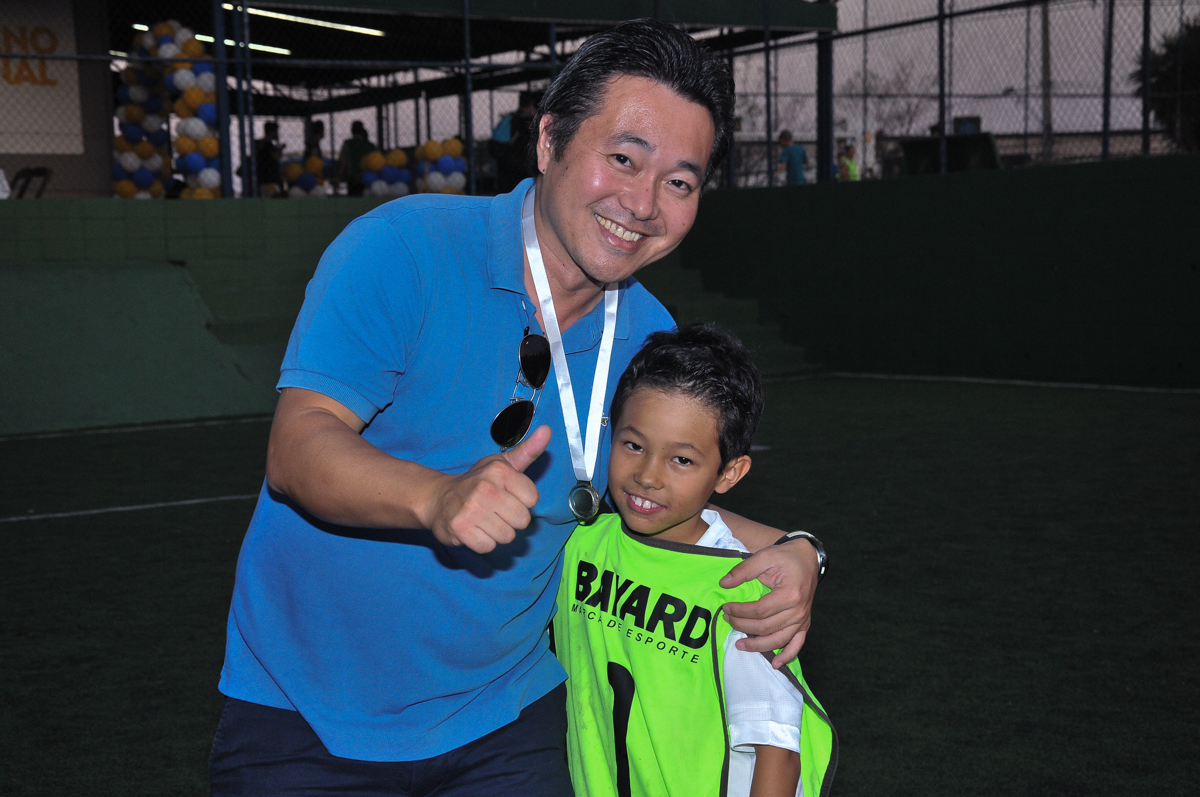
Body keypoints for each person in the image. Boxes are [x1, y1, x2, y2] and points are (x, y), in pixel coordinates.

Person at [210, 19, 822, 796]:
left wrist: (802, 551)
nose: (641, 203)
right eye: (624, 158)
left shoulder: (652, 342)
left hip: (508, 720)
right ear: (549, 142)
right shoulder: (403, 248)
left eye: (680, 182)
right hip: (303, 719)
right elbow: (298, 448)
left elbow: (668, 502)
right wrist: (435, 496)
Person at [554, 323, 835, 797]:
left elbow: (778, 749)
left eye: (681, 460)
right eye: (633, 445)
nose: (647, 476)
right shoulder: (581, 541)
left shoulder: (739, 591)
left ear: (729, 473)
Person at [493, 89, 540, 193]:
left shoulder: (512, 117)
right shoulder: (526, 121)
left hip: (505, 160)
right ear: (531, 104)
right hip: (519, 162)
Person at [339, 120, 380, 196]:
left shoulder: (348, 144)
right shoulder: (371, 146)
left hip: (354, 180)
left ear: (352, 131)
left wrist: (339, 179)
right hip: (371, 180)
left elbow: (343, 164)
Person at [254, 121, 284, 197]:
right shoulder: (266, 144)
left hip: (267, 180)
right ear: (272, 132)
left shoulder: (264, 144)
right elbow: (275, 156)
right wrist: (281, 149)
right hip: (268, 180)